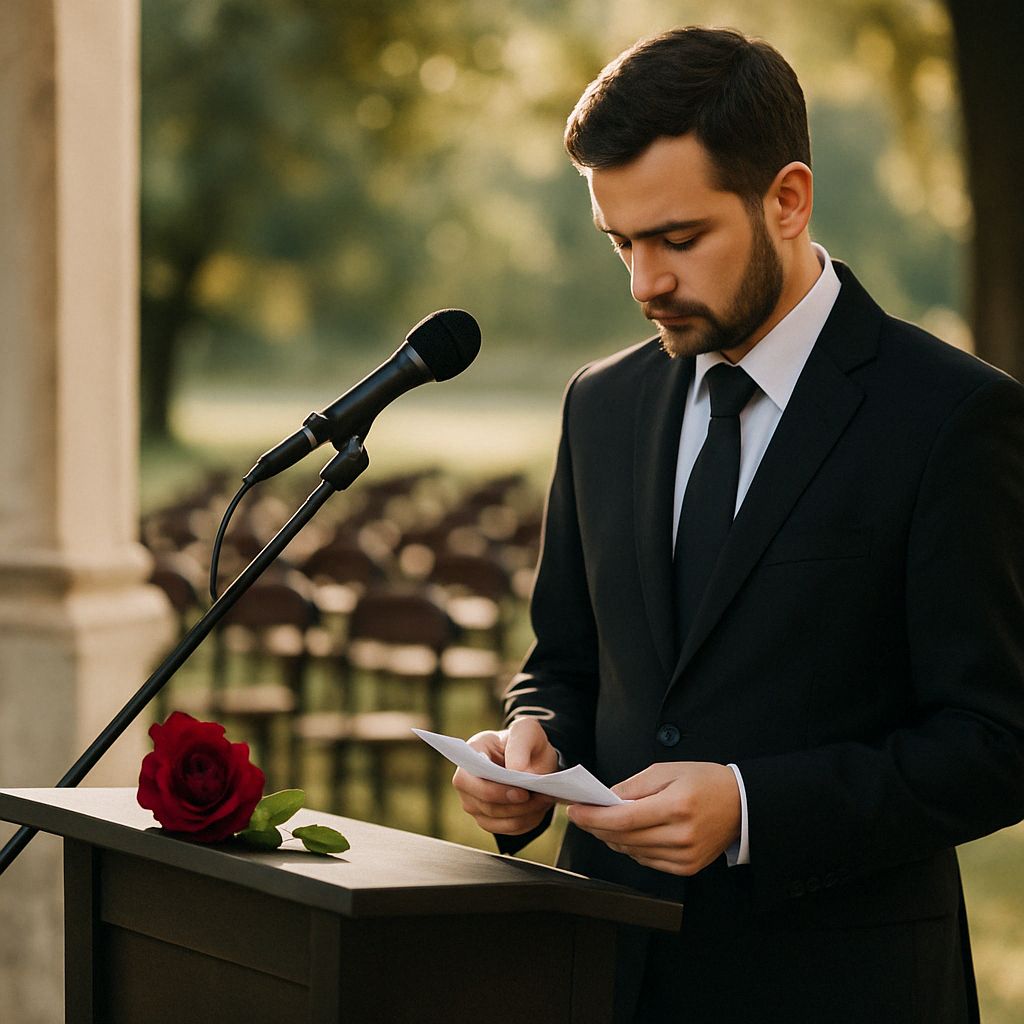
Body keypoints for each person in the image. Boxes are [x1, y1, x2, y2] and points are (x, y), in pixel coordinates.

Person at [451, 26, 1024, 1024]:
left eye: (678, 240)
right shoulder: (600, 403)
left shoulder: (953, 417)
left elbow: (997, 741)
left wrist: (754, 807)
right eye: (622, 243)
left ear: (787, 200)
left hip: (839, 991)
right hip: (604, 974)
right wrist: (531, 745)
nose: (645, 284)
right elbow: (567, 661)